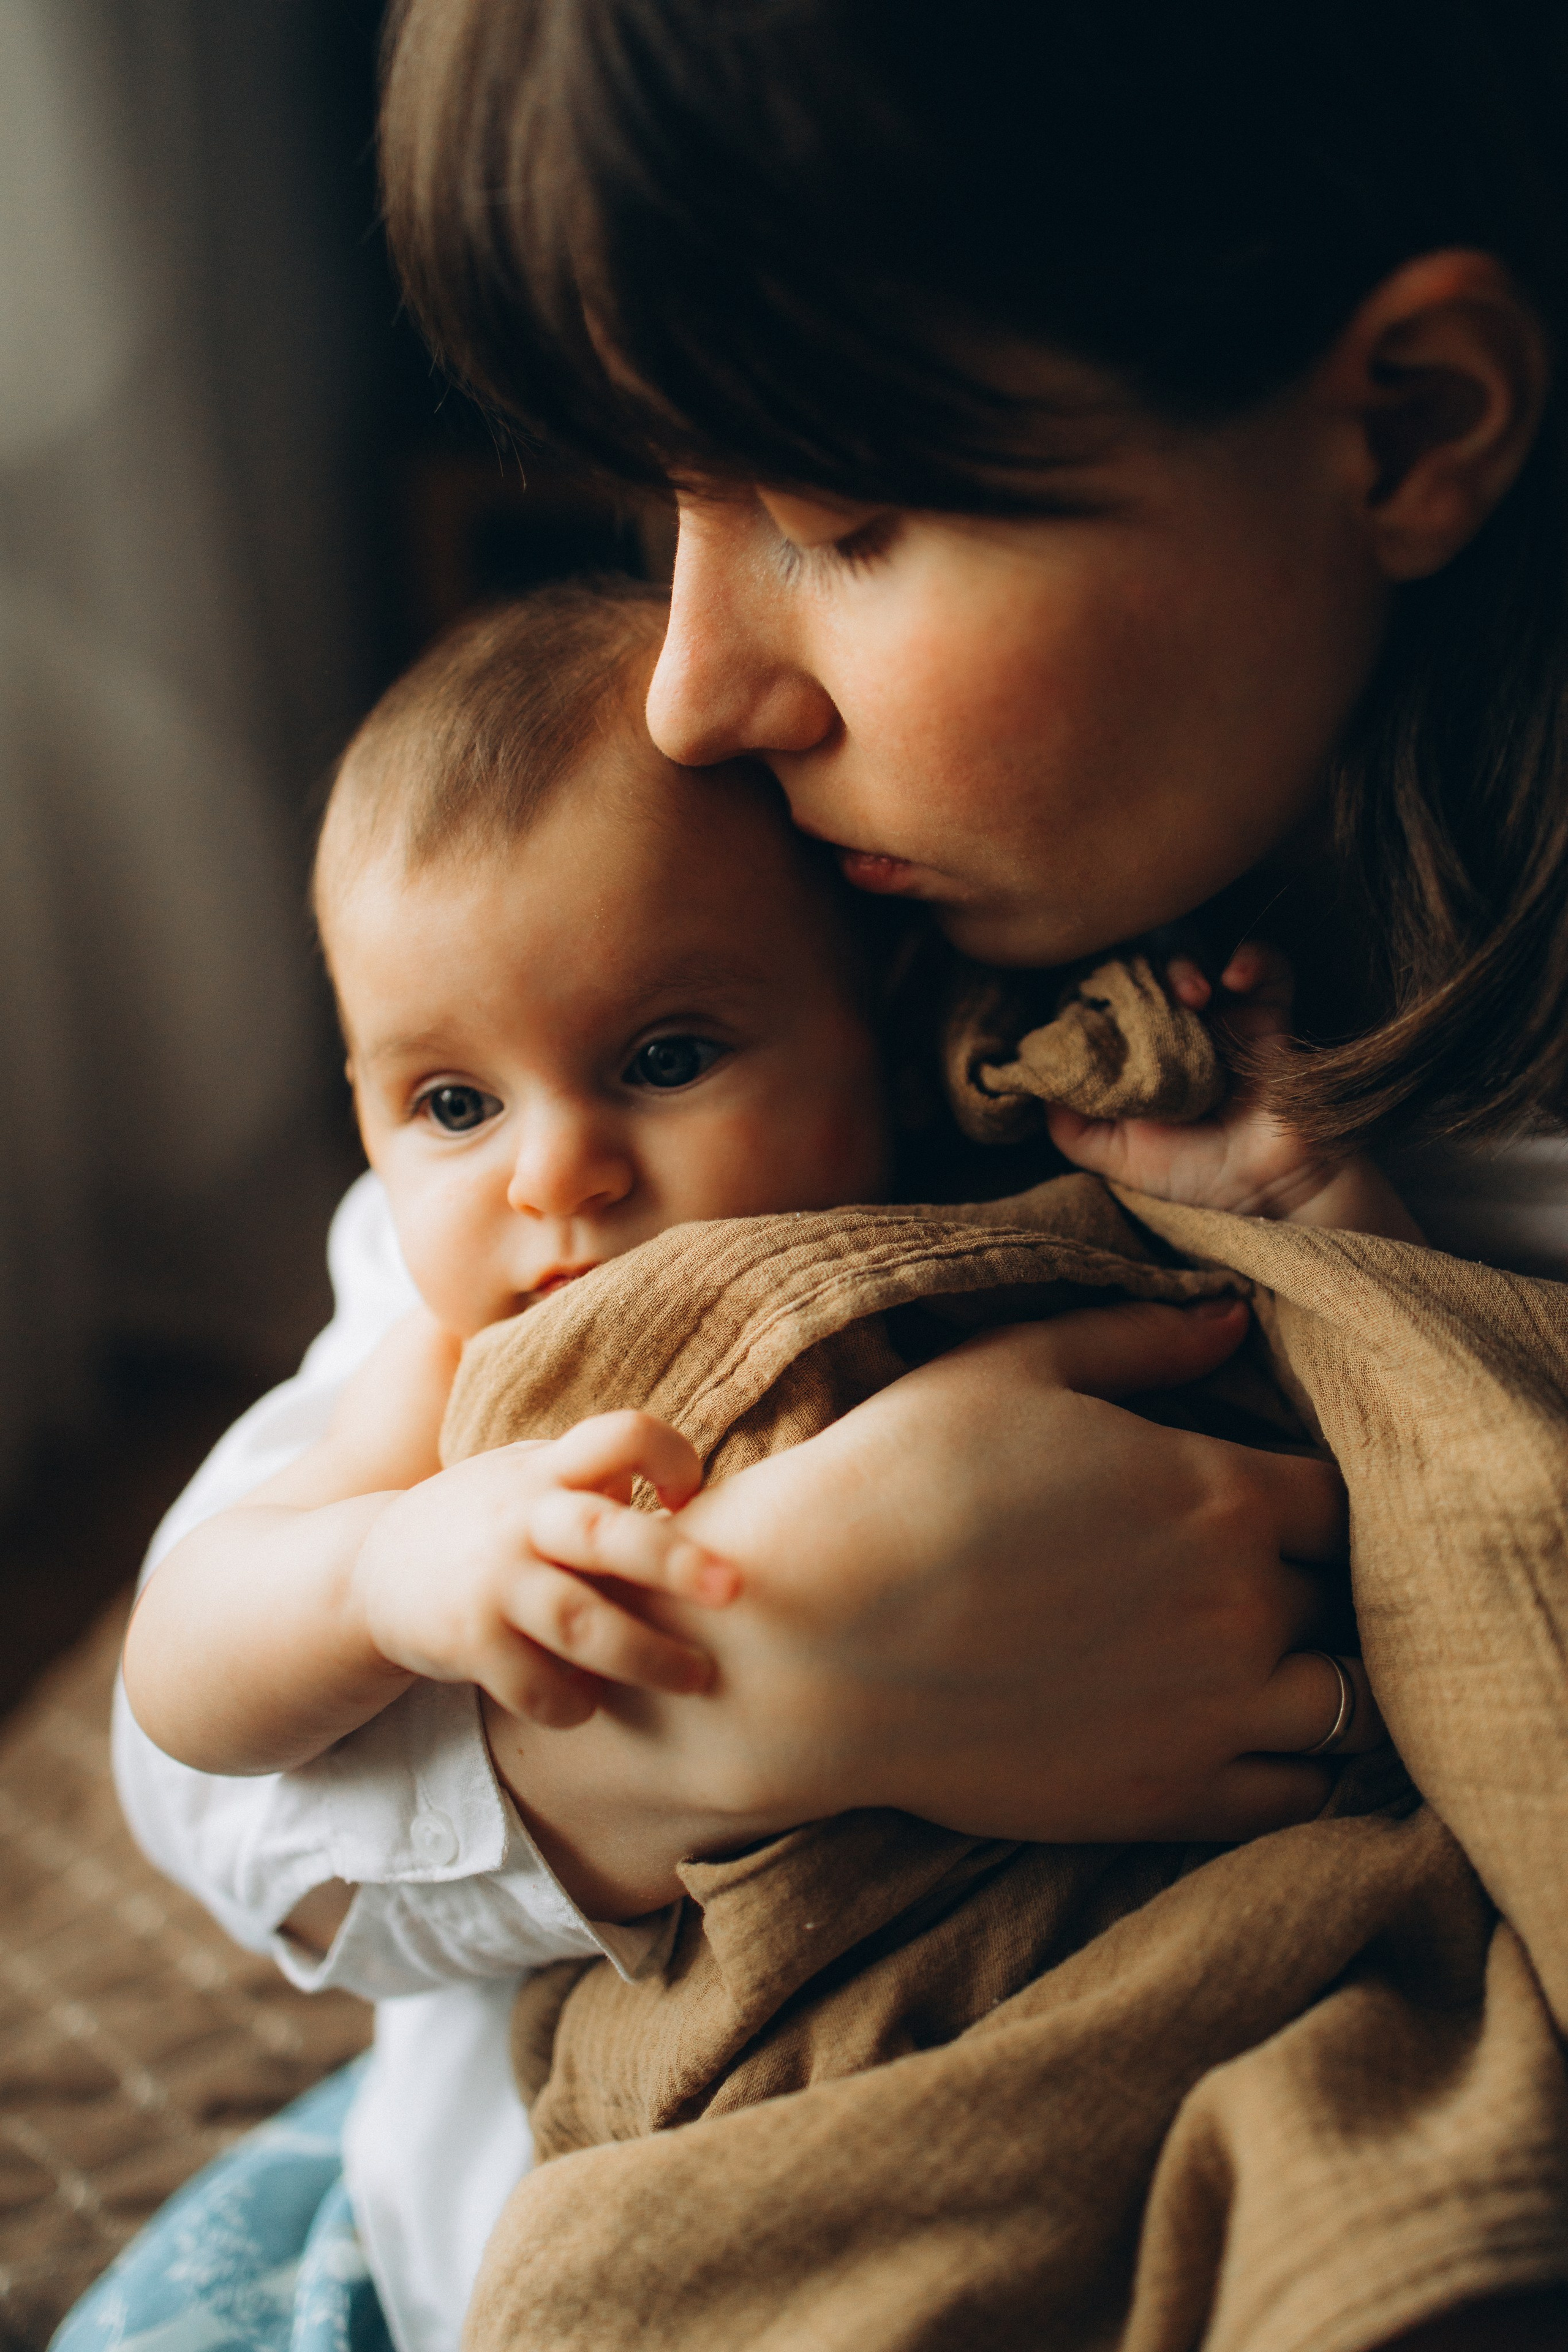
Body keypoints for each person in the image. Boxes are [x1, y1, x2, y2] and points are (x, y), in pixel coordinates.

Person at [369, 4, 1568, 2345]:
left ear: (1406, 424)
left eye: (837, 519)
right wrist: (721, 1722)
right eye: (661, 503)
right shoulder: (720, 984)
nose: (695, 694)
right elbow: (209, 1785)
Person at [89, 569, 1392, 2352]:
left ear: (872, 1019)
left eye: (666, 1055)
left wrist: (1301, 1206)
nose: (554, 1178)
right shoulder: (451, 1344)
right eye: (450, 1104)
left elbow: (1342, 1406)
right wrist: (385, 1572)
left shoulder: (979, 1205)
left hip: (1070, 2013)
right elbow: (183, 1688)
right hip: (599, 2150)